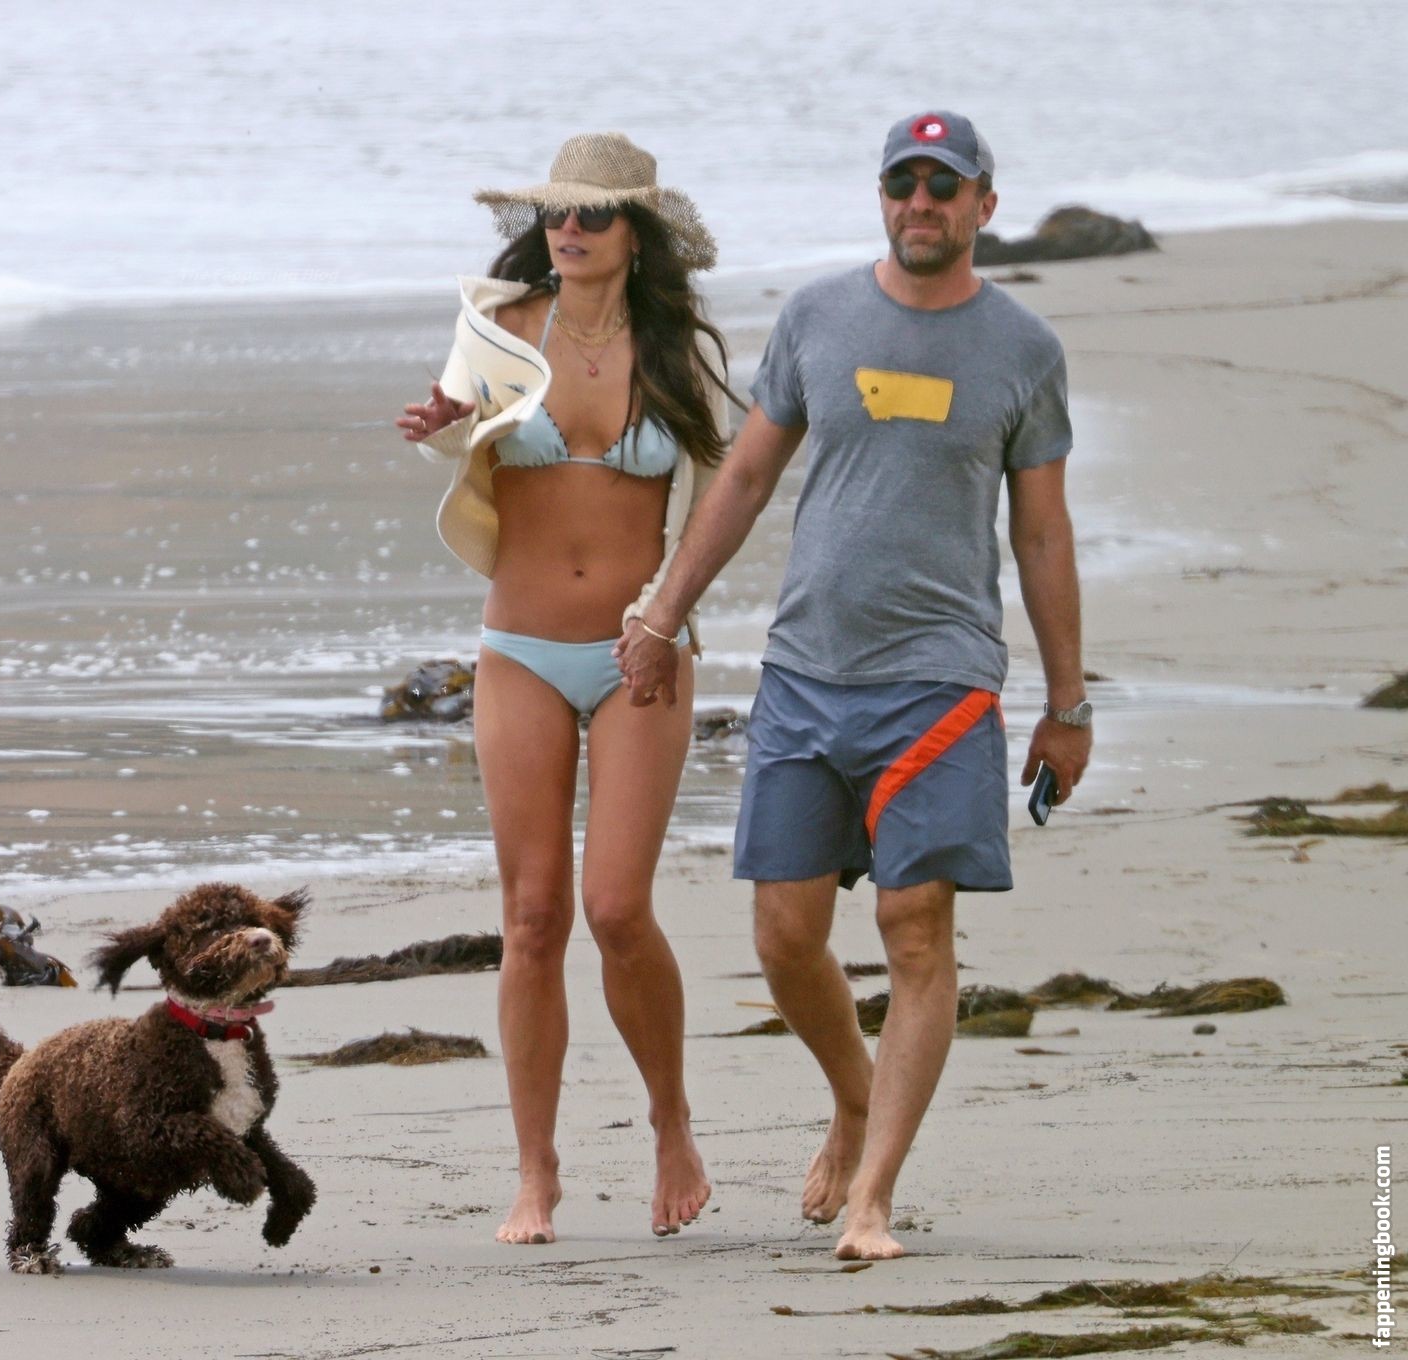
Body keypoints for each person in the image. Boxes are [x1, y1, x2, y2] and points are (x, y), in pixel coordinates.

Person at [614, 111, 1093, 1261]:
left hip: (942, 682)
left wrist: (1067, 705)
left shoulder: (1024, 349)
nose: (921, 202)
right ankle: (855, 1091)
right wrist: (663, 611)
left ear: (983, 204)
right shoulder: (818, 317)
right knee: (785, 935)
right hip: (806, 674)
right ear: (883, 197)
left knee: (914, 928)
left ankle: (874, 1195)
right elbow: (744, 477)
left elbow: (1041, 535)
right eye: (902, 182)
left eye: (944, 185)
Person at [397, 132, 737, 1244]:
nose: (570, 230)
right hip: (522, 650)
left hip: (642, 652)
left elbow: (723, 497)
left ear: (637, 232)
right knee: (533, 917)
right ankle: (535, 1170)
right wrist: (440, 430)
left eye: (593, 214)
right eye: (557, 213)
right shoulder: (500, 328)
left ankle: (672, 1121)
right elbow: (455, 428)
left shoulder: (675, 349)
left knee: (619, 909)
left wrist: (667, 617)